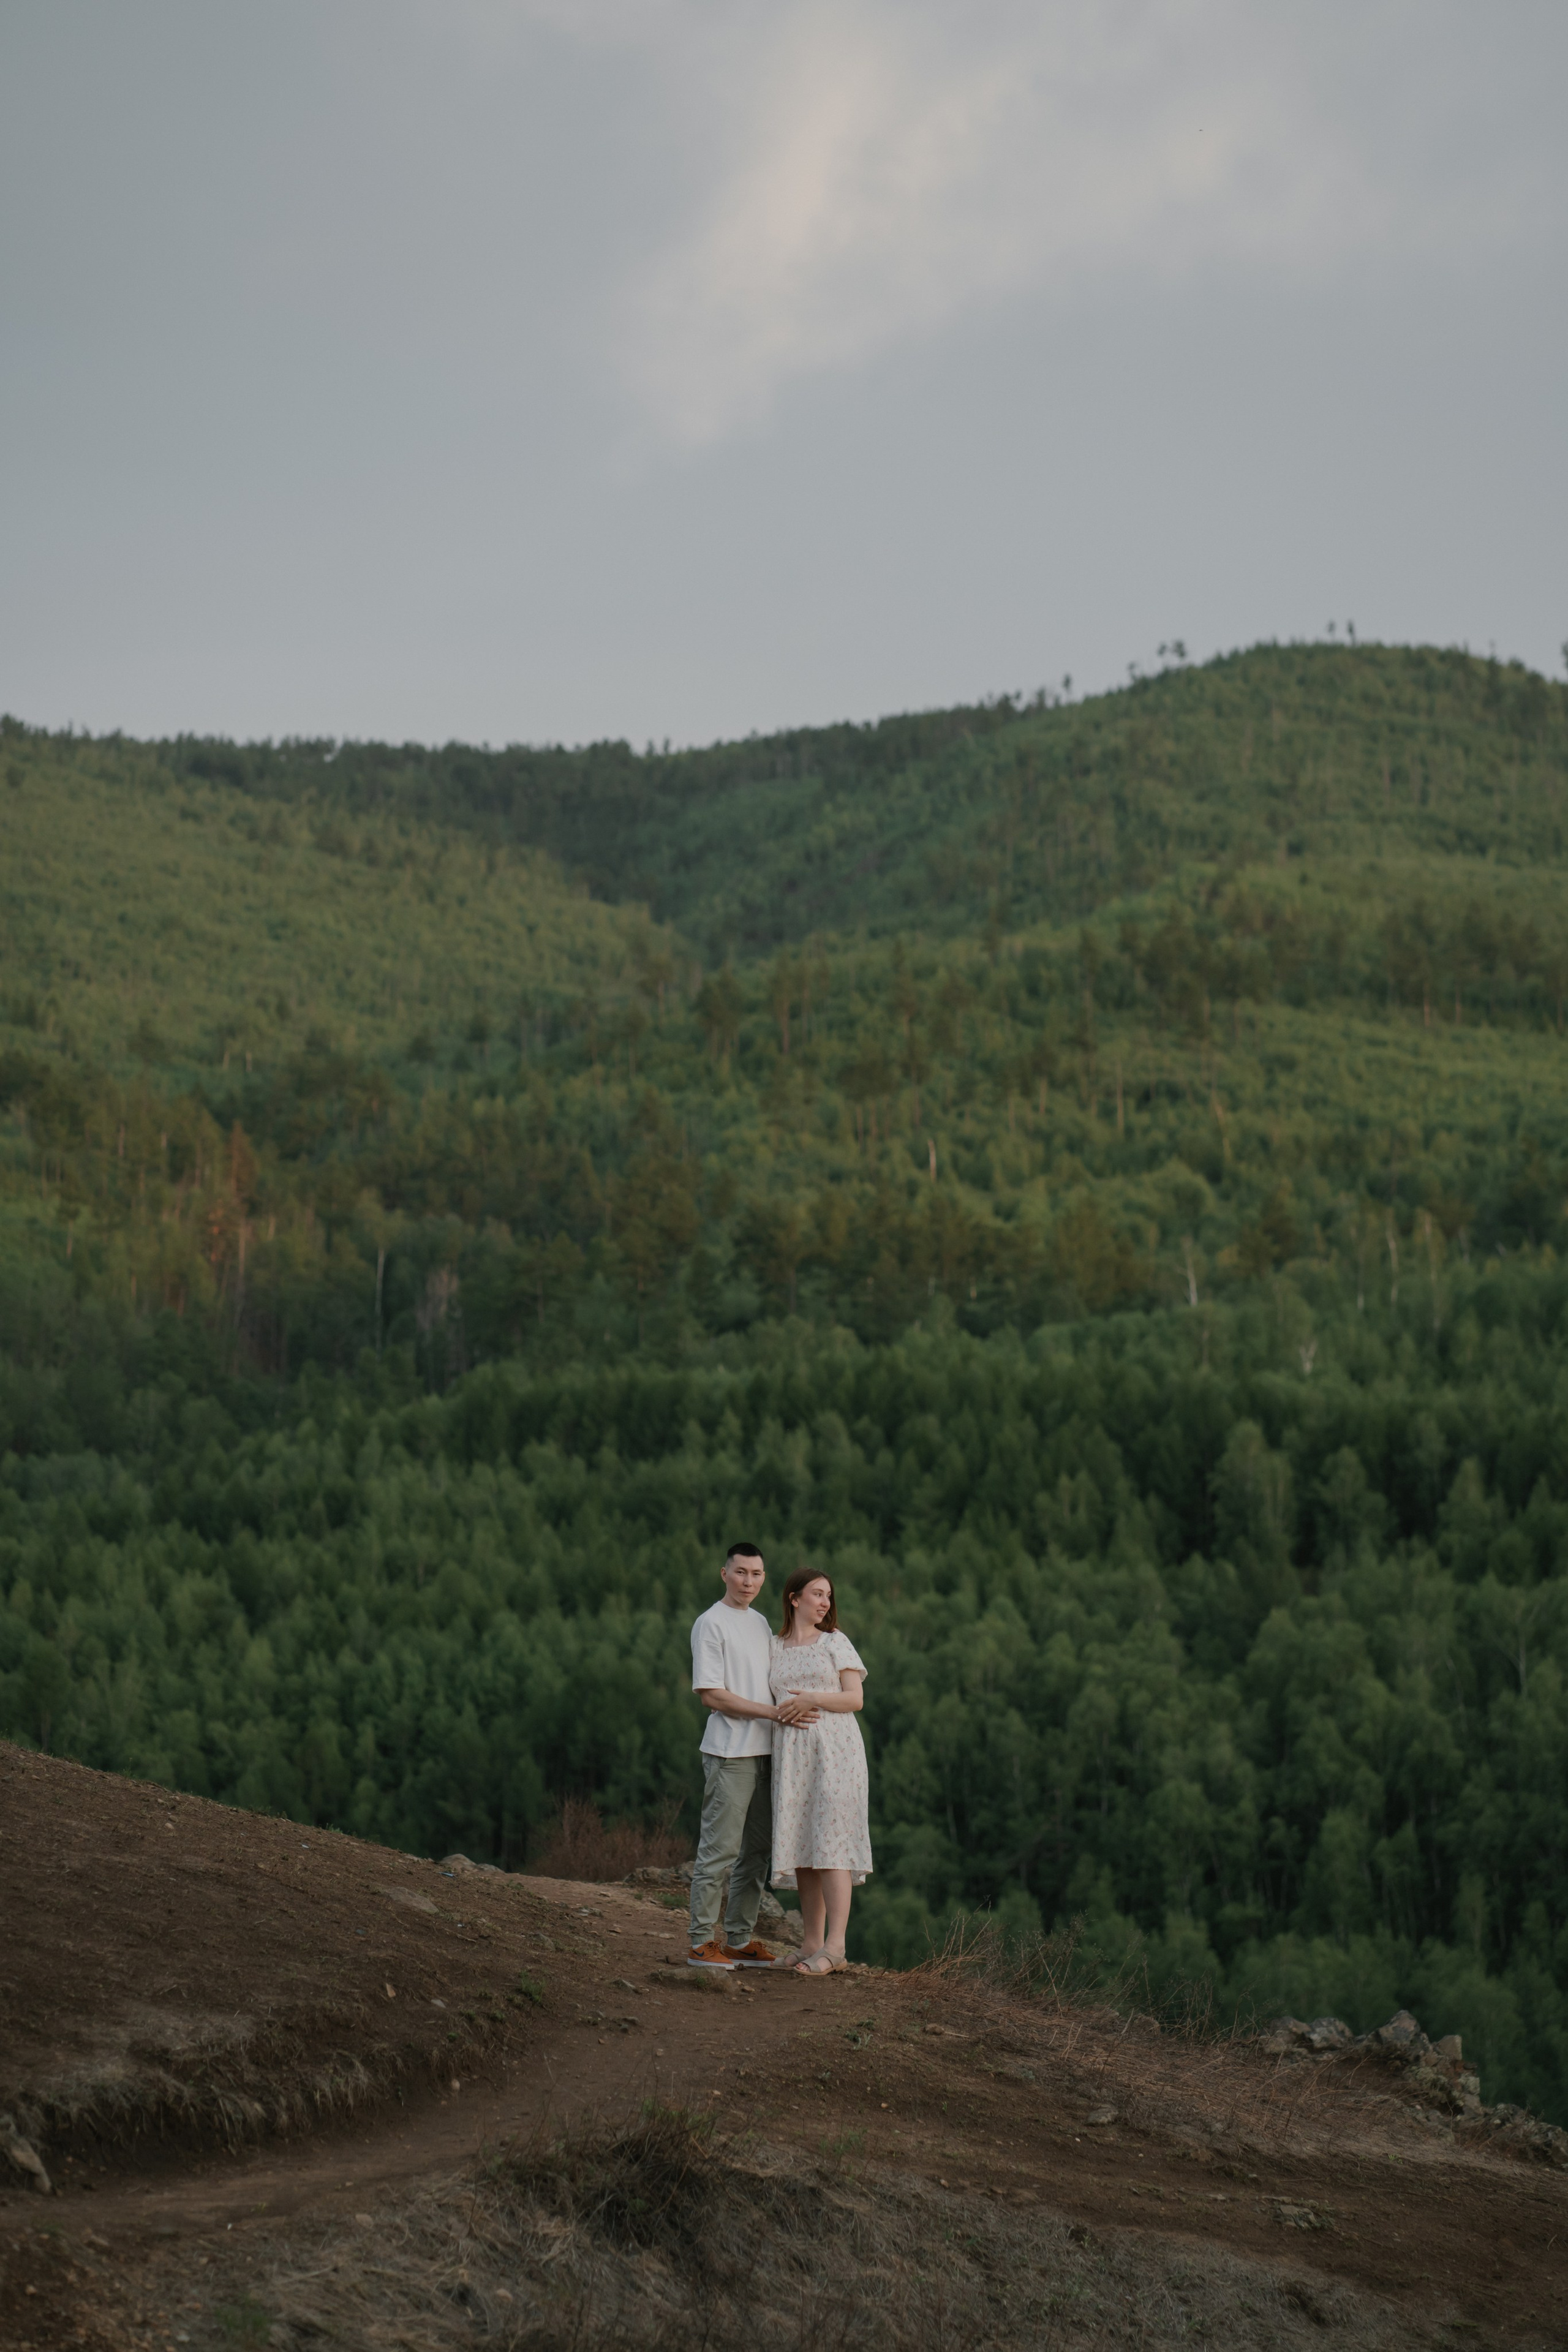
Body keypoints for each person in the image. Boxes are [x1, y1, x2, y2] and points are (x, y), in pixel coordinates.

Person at [688, 1542, 820, 1970]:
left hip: (770, 1754)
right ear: (724, 1573)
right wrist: (774, 1714)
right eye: (741, 1572)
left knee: (758, 1853)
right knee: (720, 1851)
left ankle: (739, 1940)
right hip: (731, 1753)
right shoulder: (711, 1624)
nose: (749, 1581)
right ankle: (700, 1944)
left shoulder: (762, 1623)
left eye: (757, 1574)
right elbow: (712, 1695)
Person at [769, 1566, 870, 1974]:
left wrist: (812, 1697)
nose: (825, 1601)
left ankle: (835, 1947)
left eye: (828, 1595)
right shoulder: (774, 1646)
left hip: (836, 1753)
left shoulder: (835, 1642)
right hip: (793, 1758)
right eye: (817, 1593)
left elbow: (855, 1699)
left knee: (831, 1846)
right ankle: (811, 1942)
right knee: (804, 1850)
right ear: (794, 1598)